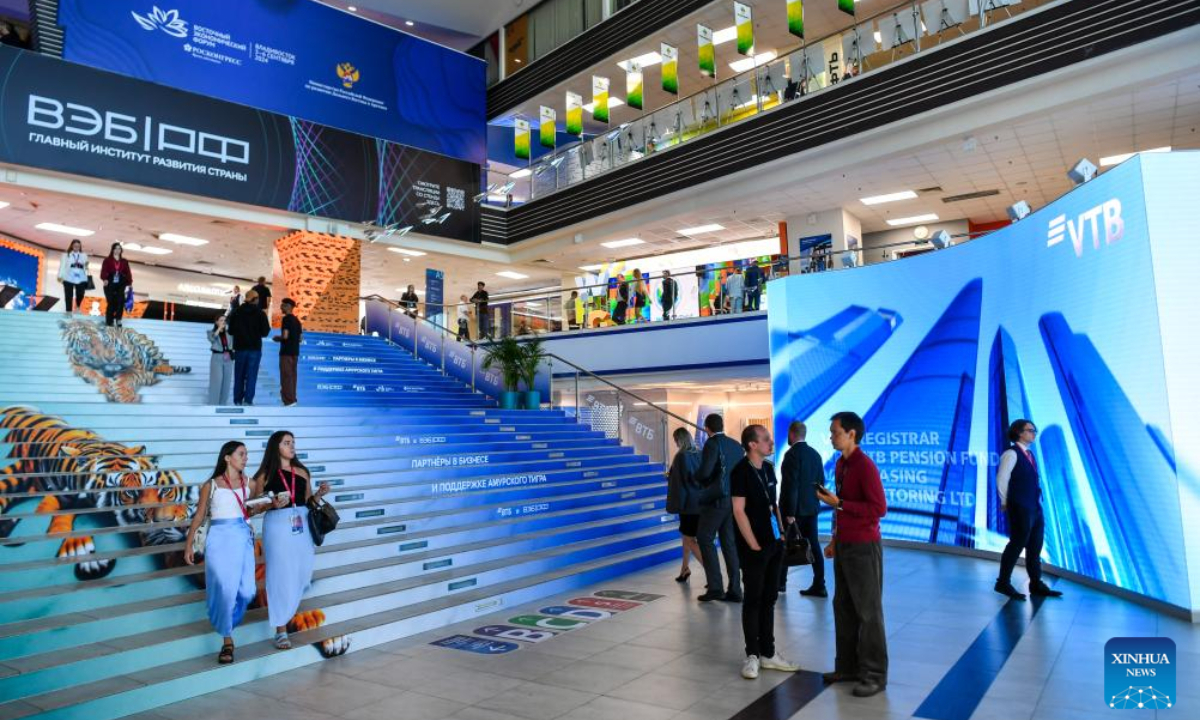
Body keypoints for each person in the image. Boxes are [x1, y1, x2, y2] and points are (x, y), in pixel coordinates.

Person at [817, 411, 888, 698]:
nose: (831, 436)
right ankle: (847, 666)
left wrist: (841, 503)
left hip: (864, 546)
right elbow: (840, 508)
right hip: (845, 544)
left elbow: (878, 508)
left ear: (851, 434)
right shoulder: (841, 465)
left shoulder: (864, 466)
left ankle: (874, 674)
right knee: (843, 606)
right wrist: (835, 538)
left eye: (835, 432)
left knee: (868, 612)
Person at [183, 441, 269, 664]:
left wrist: (270, 503)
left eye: (247, 454)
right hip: (219, 538)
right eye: (241, 454)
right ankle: (227, 639)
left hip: (242, 536)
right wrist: (189, 544)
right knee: (223, 588)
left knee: (247, 590)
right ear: (227, 458)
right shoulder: (210, 485)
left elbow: (256, 508)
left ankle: (227, 619)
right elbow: (199, 516)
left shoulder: (250, 483)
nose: (246, 458)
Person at [731, 424, 801, 679]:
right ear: (752, 444)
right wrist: (753, 544)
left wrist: (782, 533)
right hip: (754, 547)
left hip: (774, 543)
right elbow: (738, 511)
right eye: (766, 439)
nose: (771, 442)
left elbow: (774, 505)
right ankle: (752, 655)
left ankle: (768, 653)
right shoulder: (740, 471)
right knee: (753, 600)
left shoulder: (769, 469)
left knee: (769, 599)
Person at [256, 431, 330, 649]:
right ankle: (280, 629)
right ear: (276, 447)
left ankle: (287, 611)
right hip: (277, 525)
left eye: (293, 442)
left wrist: (319, 495)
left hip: (301, 523)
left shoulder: (302, 471)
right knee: (279, 574)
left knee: (302, 572)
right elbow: (254, 505)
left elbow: (308, 502)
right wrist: (271, 504)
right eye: (286, 443)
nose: (292, 446)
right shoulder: (265, 474)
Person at [995, 419, 1063, 600]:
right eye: (1030, 430)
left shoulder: (1030, 455)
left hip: (1035, 507)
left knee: (1035, 546)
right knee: (1017, 544)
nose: (1034, 433)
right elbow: (1002, 478)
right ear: (1019, 432)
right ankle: (1002, 582)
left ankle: (1036, 583)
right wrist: (1004, 501)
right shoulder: (1011, 453)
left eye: (1035, 430)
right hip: (1020, 506)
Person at [695, 413, 745, 602]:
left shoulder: (711, 444)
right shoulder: (735, 445)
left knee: (705, 538)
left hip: (716, 501)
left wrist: (697, 478)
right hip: (733, 500)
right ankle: (735, 589)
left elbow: (706, 471)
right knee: (729, 544)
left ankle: (715, 587)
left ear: (707, 428)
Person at [779, 420, 827, 597]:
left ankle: (781, 583)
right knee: (813, 545)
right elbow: (821, 483)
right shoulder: (815, 454)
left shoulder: (791, 455)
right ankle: (820, 584)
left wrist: (790, 513)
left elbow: (790, 486)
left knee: (786, 545)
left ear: (792, 434)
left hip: (794, 511)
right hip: (811, 509)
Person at [666, 428, 703, 583]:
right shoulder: (700, 453)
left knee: (689, 540)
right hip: (701, 502)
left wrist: (676, 505)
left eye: (675, 440)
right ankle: (684, 569)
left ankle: (712, 573)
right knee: (687, 537)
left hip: (688, 505)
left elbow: (678, 484)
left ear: (680, 440)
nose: (675, 443)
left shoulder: (681, 457)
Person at [228, 290, 270, 406]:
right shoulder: (260, 313)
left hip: (240, 349)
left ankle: (237, 400)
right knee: (251, 375)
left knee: (239, 375)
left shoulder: (237, 311)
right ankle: (248, 400)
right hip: (254, 349)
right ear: (255, 299)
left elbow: (230, 330)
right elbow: (265, 332)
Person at [274, 298, 302, 407]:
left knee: (286, 376)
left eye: (282, 305)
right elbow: (300, 338)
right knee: (292, 376)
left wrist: (277, 338)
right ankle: (293, 399)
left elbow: (285, 336)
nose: (281, 308)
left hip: (286, 352)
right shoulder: (297, 321)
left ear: (288, 307)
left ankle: (288, 400)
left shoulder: (286, 319)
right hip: (295, 352)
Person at [99, 243, 132, 327]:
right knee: (111, 302)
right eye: (116, 248)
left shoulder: (124, 261)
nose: (118, 250)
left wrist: (129, 283)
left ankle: (118, 319)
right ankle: (109, 321)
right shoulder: (107, 260)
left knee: (120, 301)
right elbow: (103, 271)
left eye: (119, 249)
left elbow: (128, 272)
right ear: (112, 249)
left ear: (121, 250)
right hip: (110, 282)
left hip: (121, 282)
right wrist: (104, 278)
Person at [207, 315, 235, 405]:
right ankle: (213, 403)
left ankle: (223, 403)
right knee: (217, 381)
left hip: (228, 358)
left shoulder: (230, 333)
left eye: (225, 320)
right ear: (216, 322)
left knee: (226, 382)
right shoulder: (211, 332)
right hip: (217, 357)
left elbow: (233, 344)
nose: (223, 322)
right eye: (221, 320)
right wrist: (219, 329)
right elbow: (212, 339)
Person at [57, 239, 89, 314]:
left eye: (78, 246)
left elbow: (86, 266)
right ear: (72, 246)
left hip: (81, 276)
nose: (76, 247)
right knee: (68, 294)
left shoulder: (84, 255)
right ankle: (68, 311)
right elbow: (62, 266)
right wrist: (60, 276)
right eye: (75, 245)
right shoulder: (66, 255)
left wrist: (86, 266)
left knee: (81, 293)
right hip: (69, 276)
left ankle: (78, 307)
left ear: (80, 247)